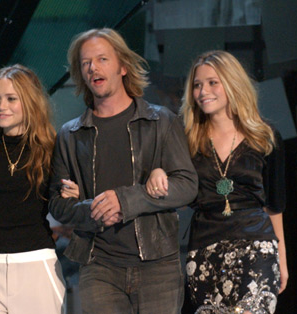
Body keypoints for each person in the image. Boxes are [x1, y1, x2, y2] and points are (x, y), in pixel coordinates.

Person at [48, 28, 198, 314]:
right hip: (98, 267)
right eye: (85, 62)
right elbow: (58, 204)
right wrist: (94, 209)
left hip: (158, 267)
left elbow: (187, 185)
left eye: (102, 59)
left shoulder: (160, 121)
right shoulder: (69, 134)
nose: (93, 68)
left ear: (123, 66)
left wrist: (126, 200)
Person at [146, 50, 288, 314]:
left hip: (256, 247)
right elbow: (172, 185)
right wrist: (157, 171)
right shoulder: (186, 139)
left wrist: (282, 259)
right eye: (197, 85)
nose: (203, 91)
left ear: (232, 83)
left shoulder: (265, 136)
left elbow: (275, 205)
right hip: (204, 250)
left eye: (212, 82)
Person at [0, 64, 67, 313]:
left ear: (29, 101)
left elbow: (61, 204)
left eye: (10, 99)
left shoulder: (51, 149)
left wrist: (71, 193)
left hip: (36, 266)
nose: (0, 106)